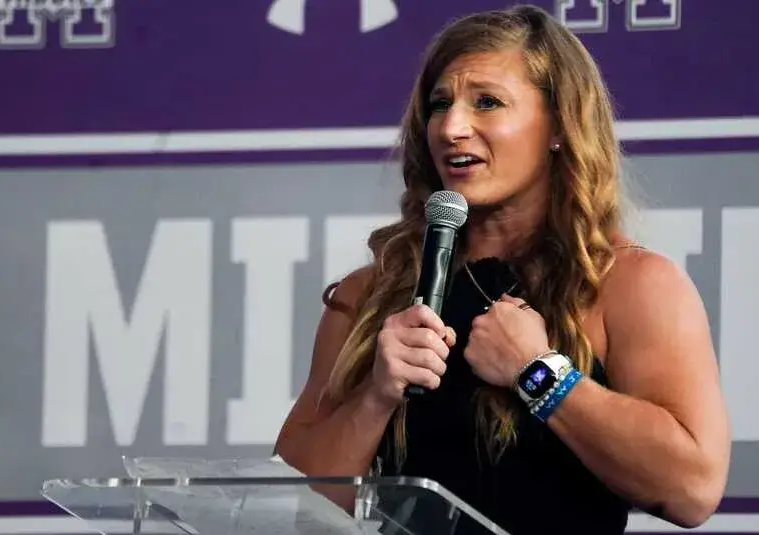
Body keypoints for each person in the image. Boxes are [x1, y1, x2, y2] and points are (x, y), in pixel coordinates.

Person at [274, 5, 730, 534]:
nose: (452, 127)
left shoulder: (630, 284)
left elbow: (692, 490)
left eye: (486, 102)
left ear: (559, 124)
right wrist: (376, 394)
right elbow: (288, 504)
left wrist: (540, 373)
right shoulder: (373, 293)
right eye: (440, 105)